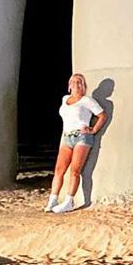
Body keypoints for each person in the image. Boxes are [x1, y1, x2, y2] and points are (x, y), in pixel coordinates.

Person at [44, 73, 107, 213]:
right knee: (59, 170)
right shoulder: (65, 99)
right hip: (67, 137)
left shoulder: (87, 100)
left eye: (79, 82)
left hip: (82, 137)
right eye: (73, 81)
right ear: (69, 85)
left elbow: (102, 115)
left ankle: (69, 201)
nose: (76, 84)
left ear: (83, 85)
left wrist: (93, 130)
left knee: (75, 171)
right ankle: (53, 199)